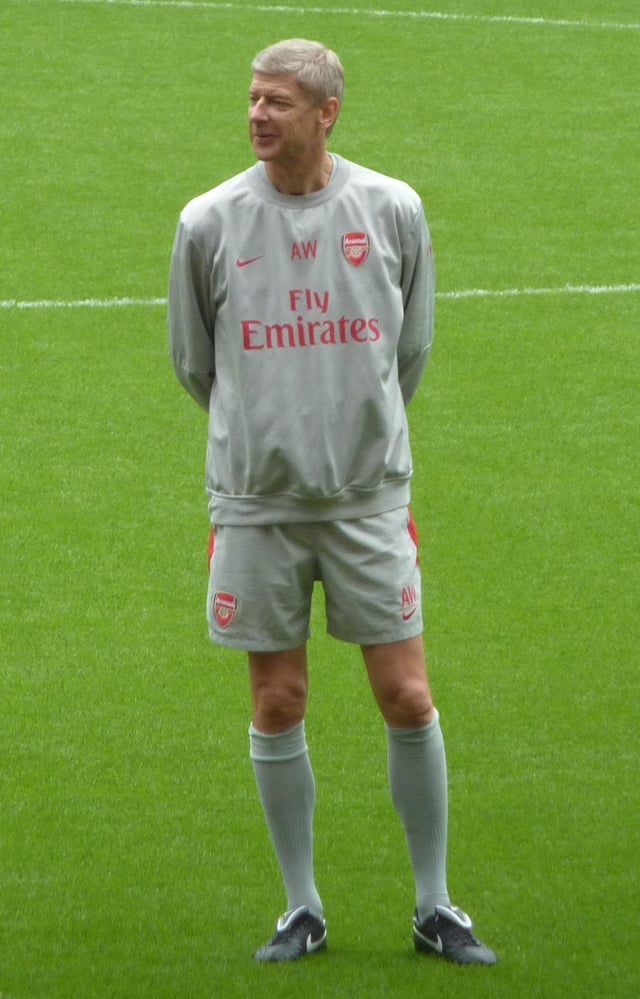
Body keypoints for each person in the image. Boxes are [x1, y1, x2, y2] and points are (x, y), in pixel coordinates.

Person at [168, 38, 497, 966]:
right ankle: (301, 907)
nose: (257, 116)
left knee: (407, 692)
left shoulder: (391, 209)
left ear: (327, 113)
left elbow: (411, 350)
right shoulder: (208, 221)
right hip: (257, 505)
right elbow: (196, 363)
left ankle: (435, 904)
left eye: (277, 101)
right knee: (278, 698)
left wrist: (352, 440)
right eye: (252, 99)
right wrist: (266, 439)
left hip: (366, 500)